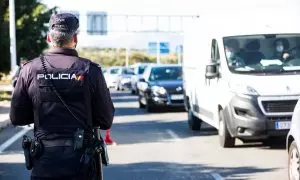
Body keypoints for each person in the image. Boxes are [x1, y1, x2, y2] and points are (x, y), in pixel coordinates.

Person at [9, 13, 115, 180]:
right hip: (82, 165)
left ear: (48, 38)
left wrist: (40, 112)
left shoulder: (30, 69)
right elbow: (105, 120)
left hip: (44, 163)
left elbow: (17, 118)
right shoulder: (90, 70)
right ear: (75, 38)